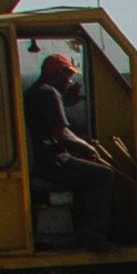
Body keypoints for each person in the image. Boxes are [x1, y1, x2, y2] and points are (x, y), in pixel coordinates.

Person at [25, 45, 111, 251]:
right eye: (67, 75)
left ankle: (80, 230)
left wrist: (66, 97)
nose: (70, 81)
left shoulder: (34, 92)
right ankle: (93, 238)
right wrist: (89, 148)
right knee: (103, 175)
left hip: (40, 160)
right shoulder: (49, 94)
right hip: (53, 161)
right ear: (56, 74)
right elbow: (61, 134)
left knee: (86, 174)